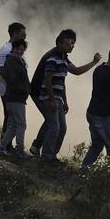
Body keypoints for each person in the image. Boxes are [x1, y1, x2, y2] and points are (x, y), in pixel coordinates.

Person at [37, 29, 100, 163]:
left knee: (62, 129)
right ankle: (46, 157)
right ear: (59, 44)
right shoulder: (53, 59)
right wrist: (52, 99)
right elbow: (47, 80)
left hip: (58, 99)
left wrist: (94, 62)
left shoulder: (64, 59)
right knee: (54, 128)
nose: (71, 46)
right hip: (50, 98)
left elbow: (75, 72)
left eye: (71, 44)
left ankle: (52, 155)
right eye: (67, 44)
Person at [0, 38, 29, 157]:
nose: (20, 51)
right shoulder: (12, 61)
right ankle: (19, 150)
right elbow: (12, 79)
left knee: (13, 125)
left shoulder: (18, 61)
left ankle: (1, 148)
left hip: (13, 97)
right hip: (16, 98)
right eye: (18, 49)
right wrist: (23, 90)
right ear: (13, 49)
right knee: (21, 124)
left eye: (22, 49)